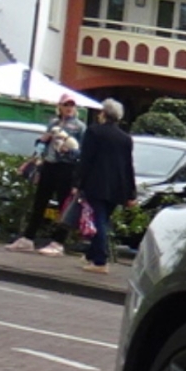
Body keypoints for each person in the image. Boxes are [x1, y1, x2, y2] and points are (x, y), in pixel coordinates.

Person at [8, 97, 86, 253]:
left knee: (63, 206)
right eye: (66, 105)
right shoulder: (53, 124)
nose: (69, 108)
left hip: (67, 168)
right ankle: (28, 238)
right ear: (60, 107)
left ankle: (58, 242)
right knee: (39, 202)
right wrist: (38, 150)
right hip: (49, 165)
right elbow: (42, 146)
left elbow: (83, 153)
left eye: (72, 105)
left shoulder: (80, 127)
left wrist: (70, 151)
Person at [71, 99, 137, 273]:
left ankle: (100, 261)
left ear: (104, 114)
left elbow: (86, 160)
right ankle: (92, 256)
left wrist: (78, 183)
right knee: (102, 220)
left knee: (98, 220)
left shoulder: (94, 132)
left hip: (97, 183)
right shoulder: (125, 138)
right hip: (118, 187)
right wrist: (131, 194)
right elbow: (128, 166)